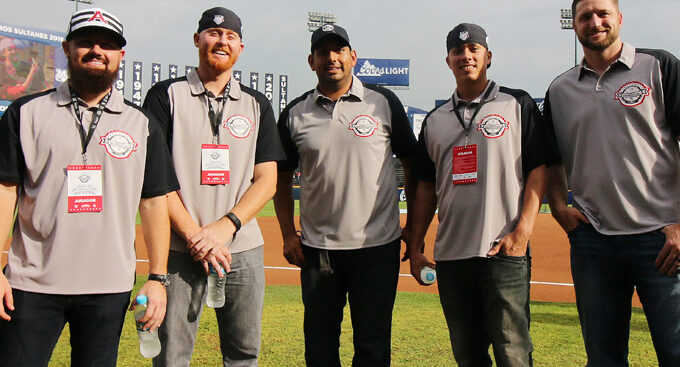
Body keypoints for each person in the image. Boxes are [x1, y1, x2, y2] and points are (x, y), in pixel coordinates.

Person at [0, 7, 177, 366]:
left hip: (108, 288)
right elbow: (4, 191)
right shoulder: (25, 113)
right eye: (86, 42)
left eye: (107, 44)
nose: (97, 50)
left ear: (120, 56)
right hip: (31, 285)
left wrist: (158, 278)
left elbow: (155, 202)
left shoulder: (142, 124)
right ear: (66, 48)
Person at [143, 7, 284, 367]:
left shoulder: (257, 104)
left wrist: (225, 227)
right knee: (171, 355)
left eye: (230, 36)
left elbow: (267, 180)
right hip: (179, 248)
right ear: (197, 40)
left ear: (240, 47)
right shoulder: (165, 96)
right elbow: (157, 179)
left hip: (242, 249)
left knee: (243, 353)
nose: (222, 41)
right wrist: (196, 237)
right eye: (213, 33)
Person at [544, 0, 680, 365]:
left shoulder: (659, 65)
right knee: (604, 358)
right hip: (594, 244)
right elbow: (552, 160)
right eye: (585, 16)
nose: (595, 21)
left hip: (661, 240)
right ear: (574, 25)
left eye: (603, 13)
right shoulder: (559, 90)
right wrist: (558, 207)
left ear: (619, 18)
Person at [274, 24, 418, 367]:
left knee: (372, 347)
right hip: (318, 250)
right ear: (311, 61)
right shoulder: (296, 113)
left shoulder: (383, 102)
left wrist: (412, 227)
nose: (331, 58)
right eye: (323, 52)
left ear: (353, 57)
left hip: (377, 249)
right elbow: (278, 177)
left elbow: (413, 164)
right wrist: (286, 232)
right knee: (320, 348)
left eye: (339, 50)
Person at [406, 23, 549, 367]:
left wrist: (523, 232)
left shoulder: (517, 103)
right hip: (452, 256)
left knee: (513, 352)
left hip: (503, 250)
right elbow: (426, 187)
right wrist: (415, 243)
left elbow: (539, 169)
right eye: (458, 51)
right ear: (448, 60)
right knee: (467, 354)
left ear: (488, 57)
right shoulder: (436, 120)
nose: (466, 56)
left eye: (474, 50)